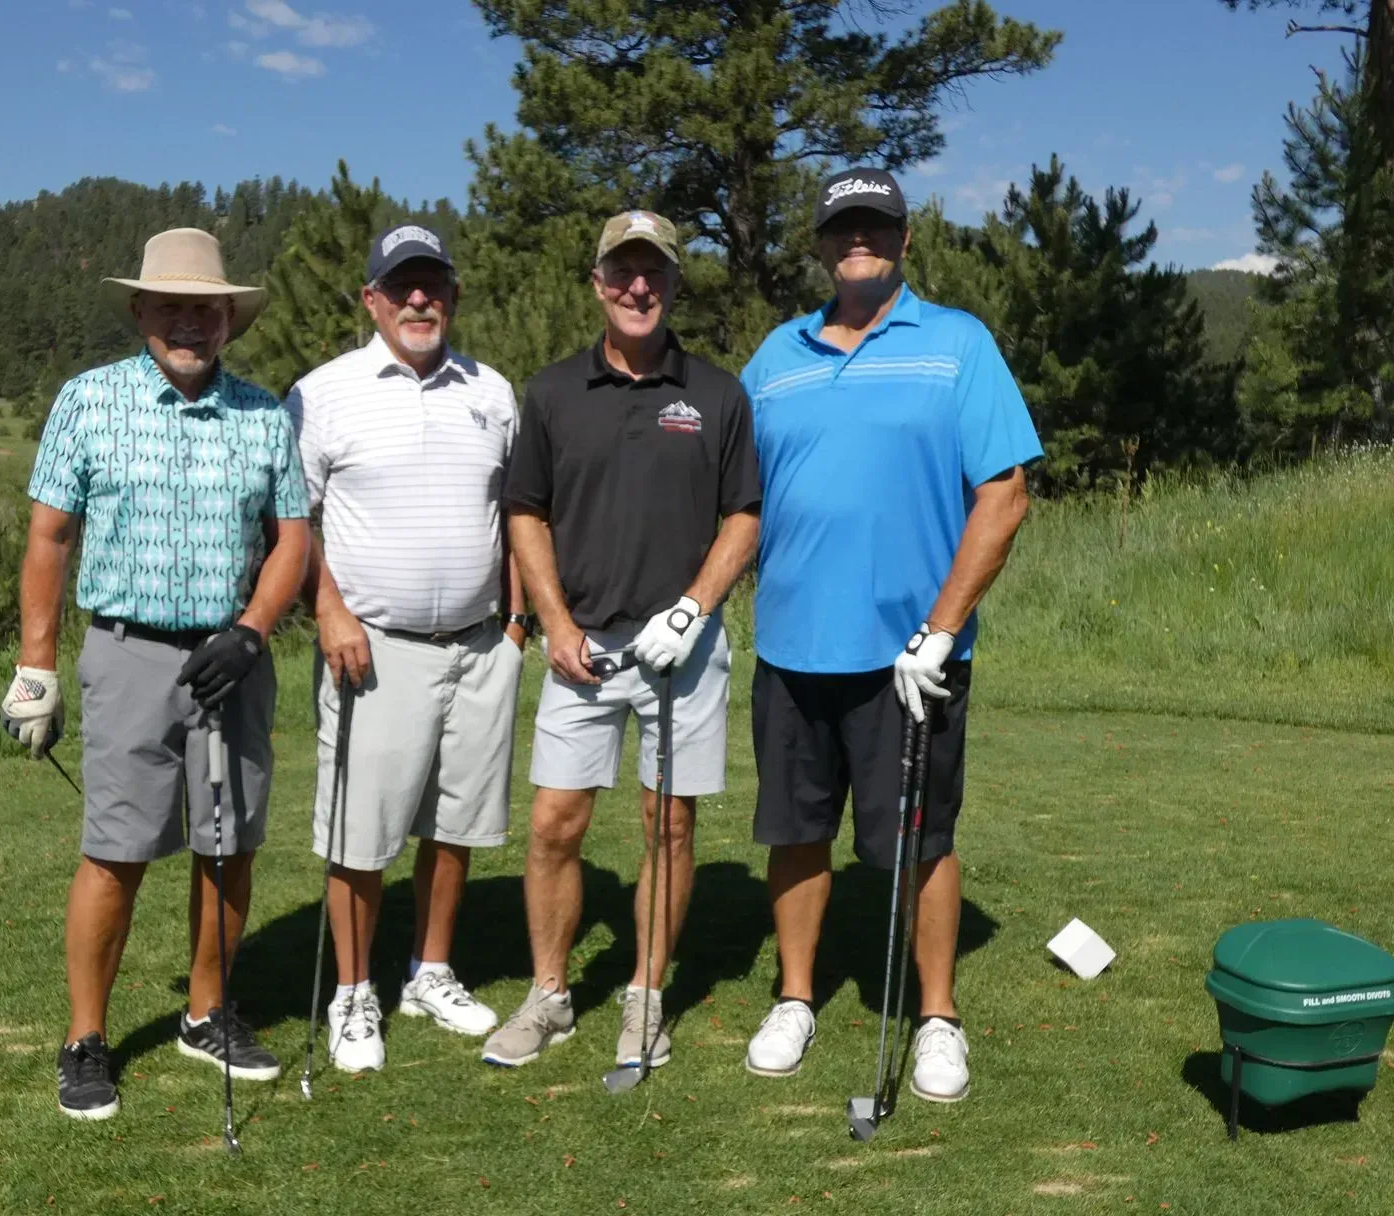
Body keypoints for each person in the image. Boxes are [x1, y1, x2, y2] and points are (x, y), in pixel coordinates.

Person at [737, 168, 1040, 1097]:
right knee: (795, 832)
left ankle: (938, 1016)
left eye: (875, 226)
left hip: (912, 659)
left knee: (921, 840)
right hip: (791, 647)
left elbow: (1005, 494)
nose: (857, 240)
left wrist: (942, 629)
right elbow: (735, 498)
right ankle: (795, 997)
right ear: (822, 246)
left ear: (905, 241)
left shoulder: (957, 344)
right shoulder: (776, 357)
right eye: (842, 228)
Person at [0, 227, 311, 1121]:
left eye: (205, 309)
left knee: (230, 845)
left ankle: (207, 1013)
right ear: (140, 310)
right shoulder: (88, 401)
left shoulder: (262, 415)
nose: (189, 323)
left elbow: (293, 540)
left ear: (228, 320)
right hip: (128, 652)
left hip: (233, 658)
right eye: (171, 306)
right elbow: (49, 537)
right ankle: (85, 1039)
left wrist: (253, 630)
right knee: (116, 851)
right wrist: (35, 665)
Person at [486, 210, 761, 1071]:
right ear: (598, 282)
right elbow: (525, 513)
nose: (639, 287)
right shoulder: (552, 392)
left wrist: (693, 609)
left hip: (684, 652)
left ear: (675, 283)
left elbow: (743, 516)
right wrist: (555, 622)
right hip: (583, 649)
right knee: (552, 825)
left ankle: (645, 995)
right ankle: (549, 996)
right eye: (622, 272)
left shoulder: (716, 393)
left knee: (668, 825)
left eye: (655, 273)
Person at [286, 223, 525, 1073]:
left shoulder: (491, 391)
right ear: (372, 300)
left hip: (482, 644)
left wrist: (518, 622)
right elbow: (291, 522)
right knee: (362, 832)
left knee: (454, 824)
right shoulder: (322, 394)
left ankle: (430, 970)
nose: (419, 299)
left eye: (433, 285)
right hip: (373, 648)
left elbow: (517, 512)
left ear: (453, 295)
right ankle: (353, 993)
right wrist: (329, 610)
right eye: (401, 286)